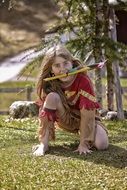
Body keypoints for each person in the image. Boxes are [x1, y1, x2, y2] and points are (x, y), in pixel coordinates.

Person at [33, 45, 108, 156]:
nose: (62, 69)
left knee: (102, 144)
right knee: (52, 97)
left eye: (65, 63)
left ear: (72, 63)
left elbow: (87, 114)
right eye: (57, 65)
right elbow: (44, 113)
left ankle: (85, 136)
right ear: (51, 70)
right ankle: (44, 144)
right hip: (65, 118)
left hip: (86, 118)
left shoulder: (83, 81)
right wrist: (43, 143)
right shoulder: (50, 83)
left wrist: (84, 144)